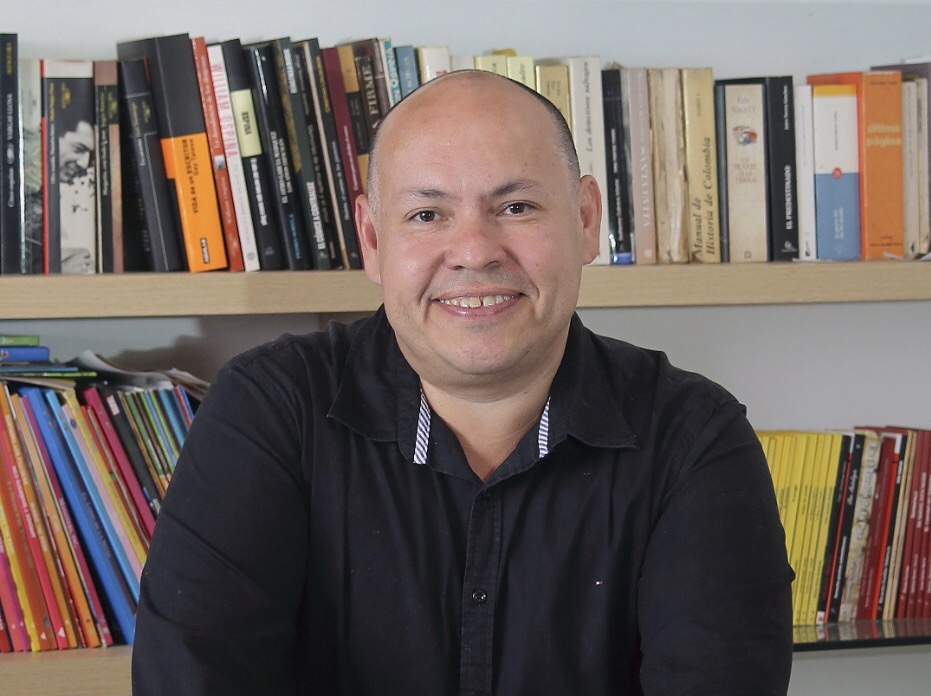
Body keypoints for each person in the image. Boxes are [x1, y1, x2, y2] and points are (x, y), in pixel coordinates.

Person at [132, 70, 794, 695]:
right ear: (371, 239)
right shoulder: (270, 410)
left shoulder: (693, 438)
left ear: (586, 219)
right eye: (427, 215)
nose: (475, 251)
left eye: (516, 206)